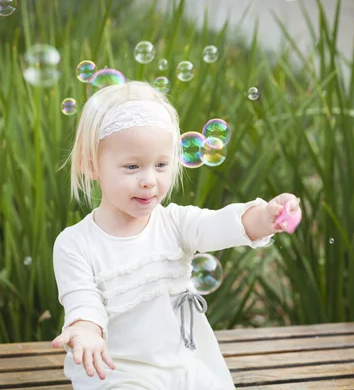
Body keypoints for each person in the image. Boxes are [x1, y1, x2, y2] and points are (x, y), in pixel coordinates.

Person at [51, 80, 301, 389]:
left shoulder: (175, 223)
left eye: (161, 165)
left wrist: (266, 217)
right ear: (92, 165)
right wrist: (86, 330)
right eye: (132, 166)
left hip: (182, 361)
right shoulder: (75, 243)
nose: (149, 180)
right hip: (117, 369)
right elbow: (82, 300)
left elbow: (222, 225)